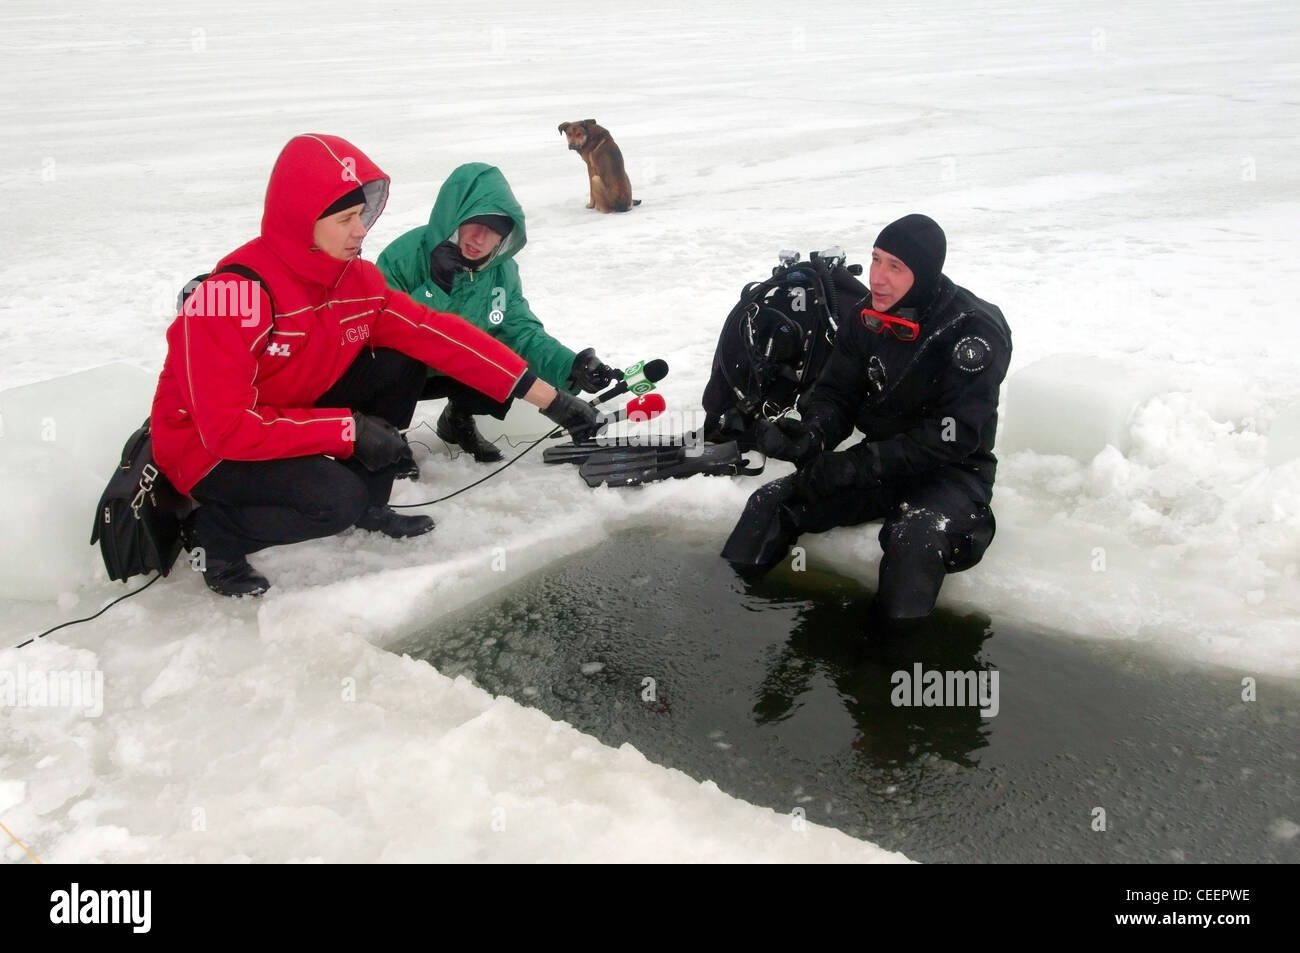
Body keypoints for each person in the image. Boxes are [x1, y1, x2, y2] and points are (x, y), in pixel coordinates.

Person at [150, 134, 603, 597]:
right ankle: (216, 533)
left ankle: (369, 504)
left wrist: (554, 400)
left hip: (285, 410)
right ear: (303, 221)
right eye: (346, 219)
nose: (360, 230)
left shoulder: (355, 281)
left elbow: (444, 338)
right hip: (207, 445)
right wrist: (347, 429)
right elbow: (226, 429)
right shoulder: (235, 296)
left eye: (361, 216)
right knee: (333, 501)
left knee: (399, 359)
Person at [721, 214, 1012, 631]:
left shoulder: (972, 332)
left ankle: (888, 661)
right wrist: (810, 435)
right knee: (770, 502)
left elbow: (954, 434)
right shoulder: (865, 317)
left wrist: (856, 465)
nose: (877, 278)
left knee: (914, 540)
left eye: (895, 267)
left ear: (924, 274)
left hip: (951, 474)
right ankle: (729, 613)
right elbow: (836, 394)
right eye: (876, 260)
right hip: (880, 465)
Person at [377, 162, 618, 464]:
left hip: (459, 368)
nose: (480, 239)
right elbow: (382, 330)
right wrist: (436, 287)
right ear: (455, 217)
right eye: (475, 223)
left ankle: (457, 419)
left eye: (494, 231)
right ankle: (389, 435)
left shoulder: (501, 271)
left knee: (502, 353)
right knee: (394, 358)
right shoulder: (404, 255)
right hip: (408, 373)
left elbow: (519, 331)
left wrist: (571, 365)